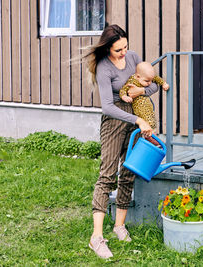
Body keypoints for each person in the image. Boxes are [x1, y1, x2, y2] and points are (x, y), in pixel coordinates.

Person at [83, 24, 157, 259]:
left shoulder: (133, 57)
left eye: (125, 47)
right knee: (107, 175)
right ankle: (96, 238)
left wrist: (141, 93)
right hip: (115, 121)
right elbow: (107, 106)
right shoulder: (104, 68)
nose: (124, 52)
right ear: (107, 48)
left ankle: (119, 226)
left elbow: (153, 83)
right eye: (118, 50)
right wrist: (137, 119)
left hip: (137, 120)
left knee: (128, 172)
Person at [119, 62, 169, 145]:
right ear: (138, 76)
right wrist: (124, 96)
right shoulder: (132, 81)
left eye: (150, 80)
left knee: (152, 120)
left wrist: (163, 83)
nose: (149, 83)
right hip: (139, 107)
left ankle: (153, 137)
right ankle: (150, 138)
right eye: (147, 81)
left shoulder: (146, 76)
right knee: (147, 122)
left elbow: (156, 79)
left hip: (147, 105)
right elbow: (123, 90)